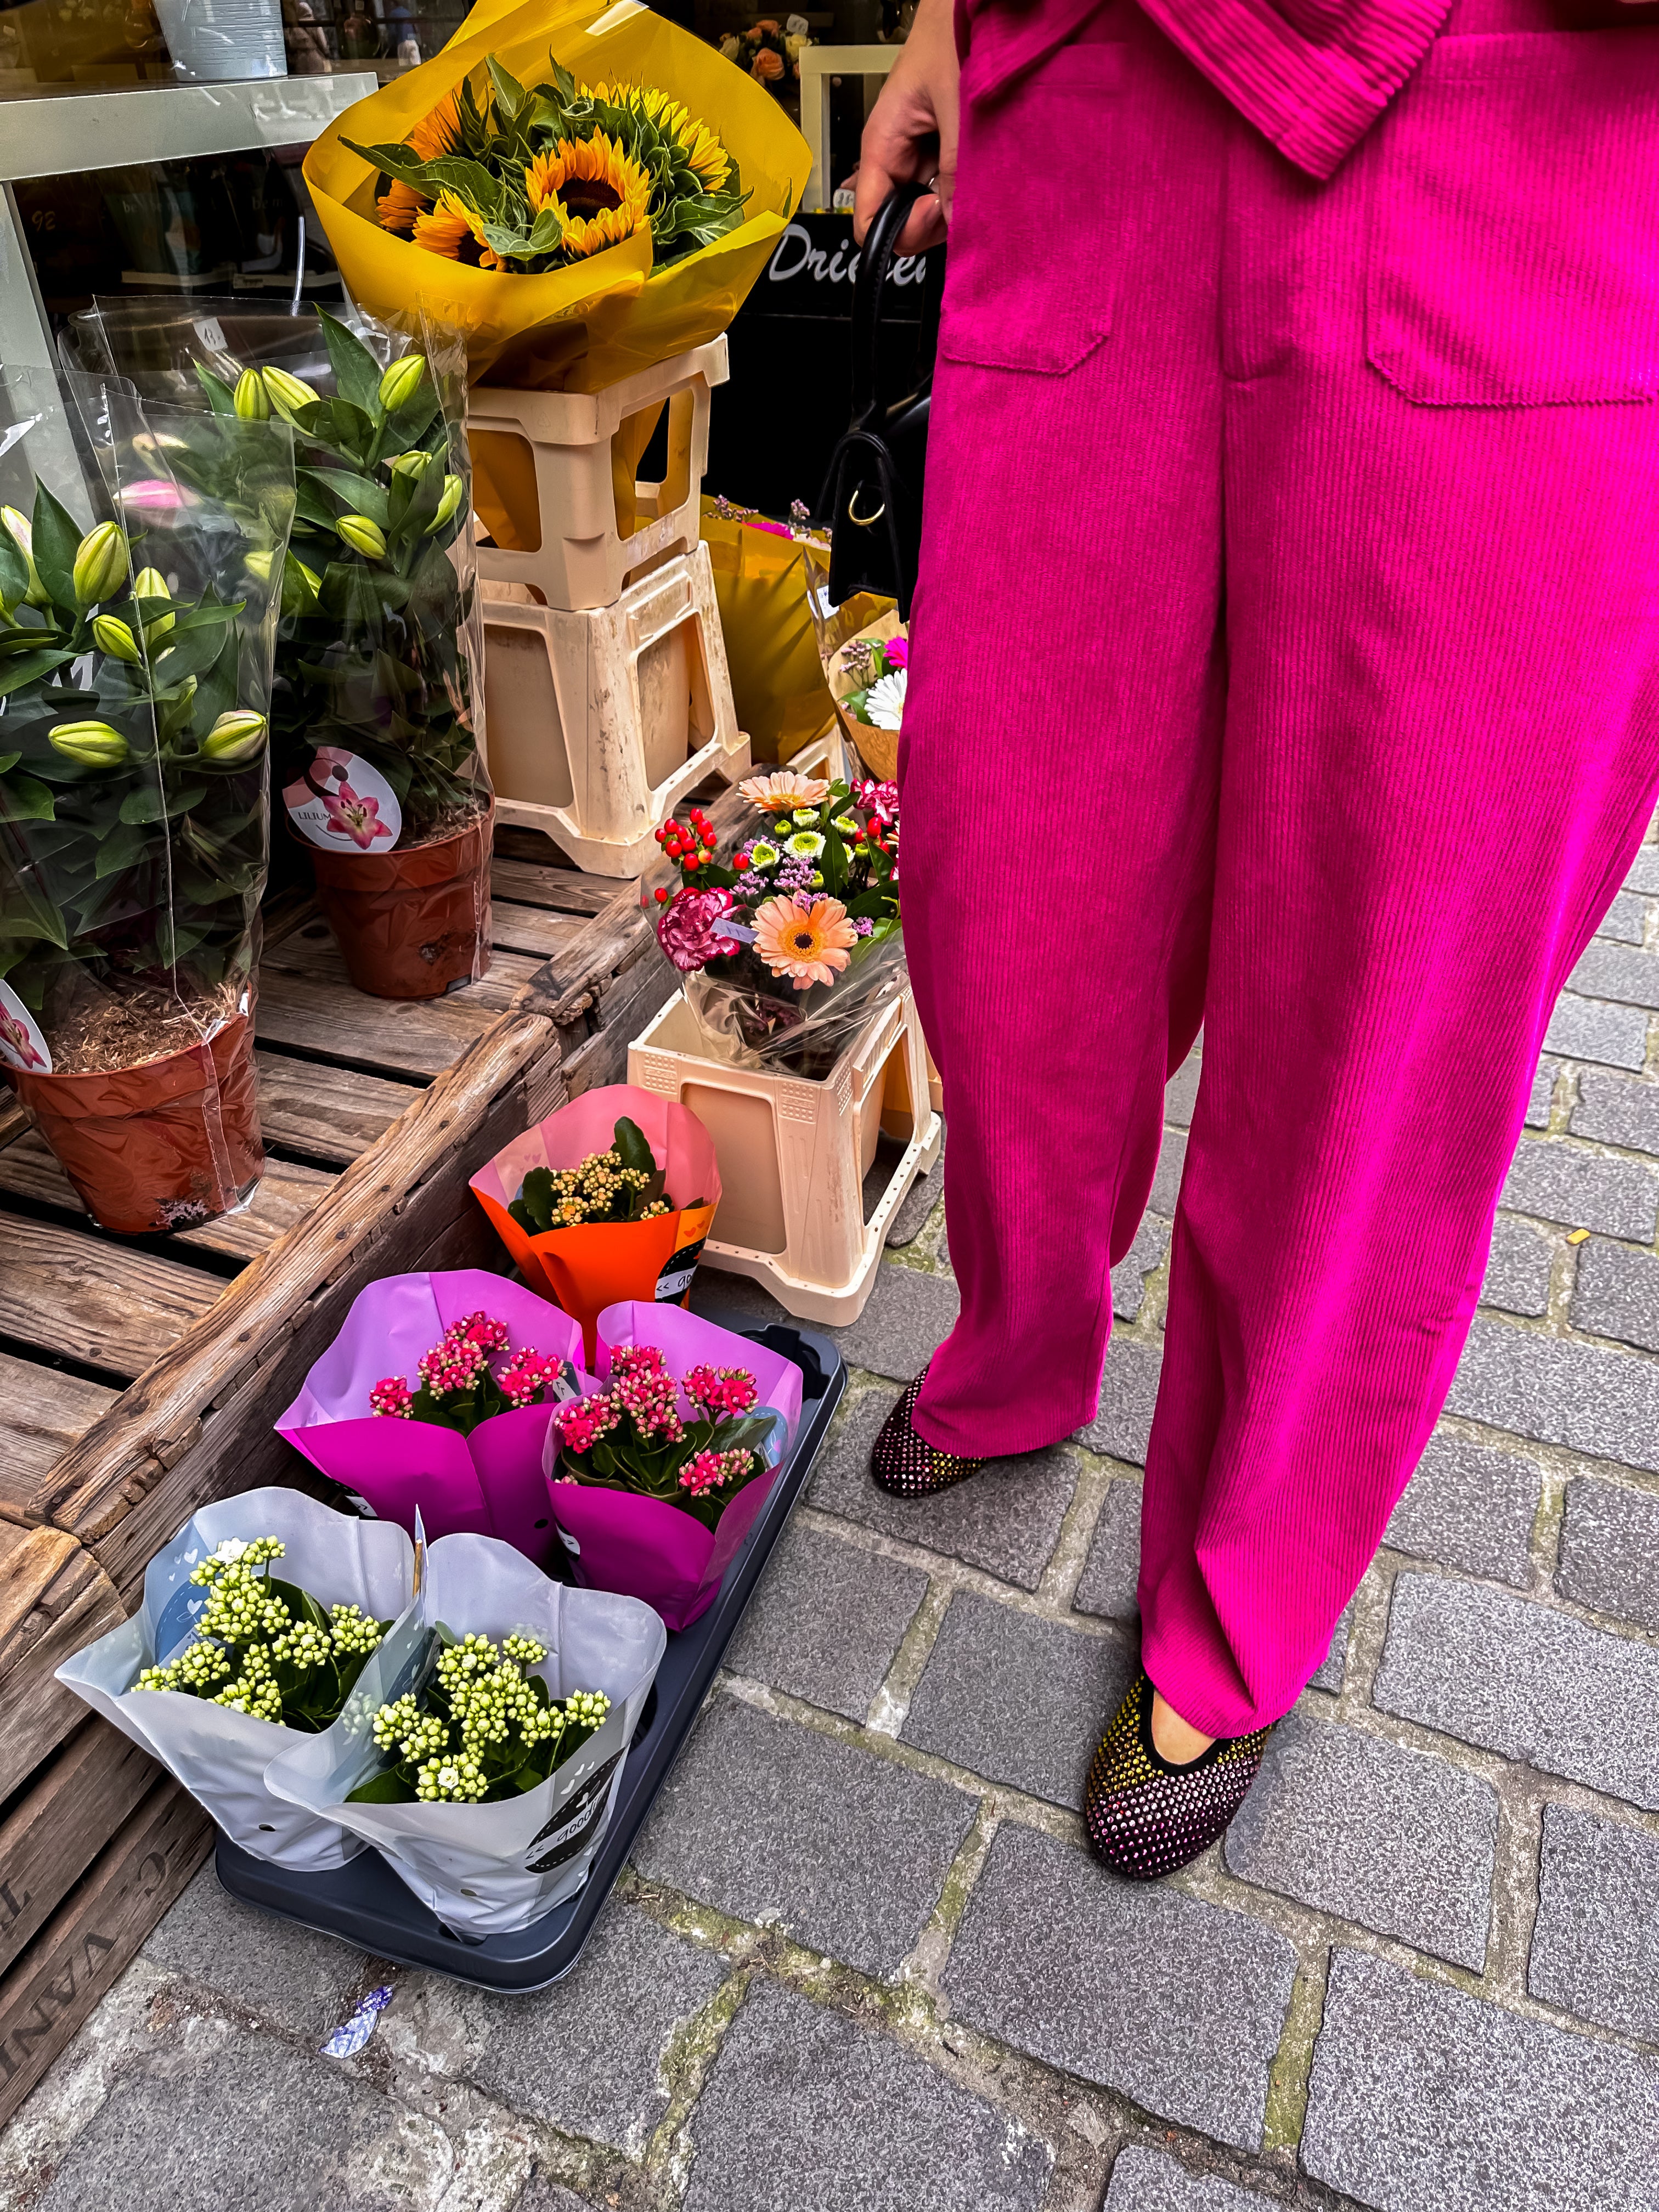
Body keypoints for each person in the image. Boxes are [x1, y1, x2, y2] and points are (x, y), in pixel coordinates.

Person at [855, 0, 1659, 1878]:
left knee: (1380, 999)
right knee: (1012, 908)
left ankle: (1244, 1583)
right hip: (1095, 114)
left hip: (1499, 129)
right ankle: (1027, 1338)